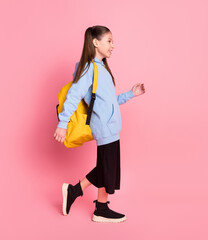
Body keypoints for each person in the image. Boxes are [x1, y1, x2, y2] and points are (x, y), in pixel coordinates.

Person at [53, 25, 145, 223]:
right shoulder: (89, 68)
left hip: (111, 127)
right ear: (96, 42)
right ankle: (83, 197)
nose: (113, 45)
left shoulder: (103, 69)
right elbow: (73, 96)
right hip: (103, 127)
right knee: (107, 168)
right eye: (109, 41)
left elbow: (110, 101)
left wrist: (131, 94)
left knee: (107, 168)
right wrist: (62, 123)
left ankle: (96, 205)